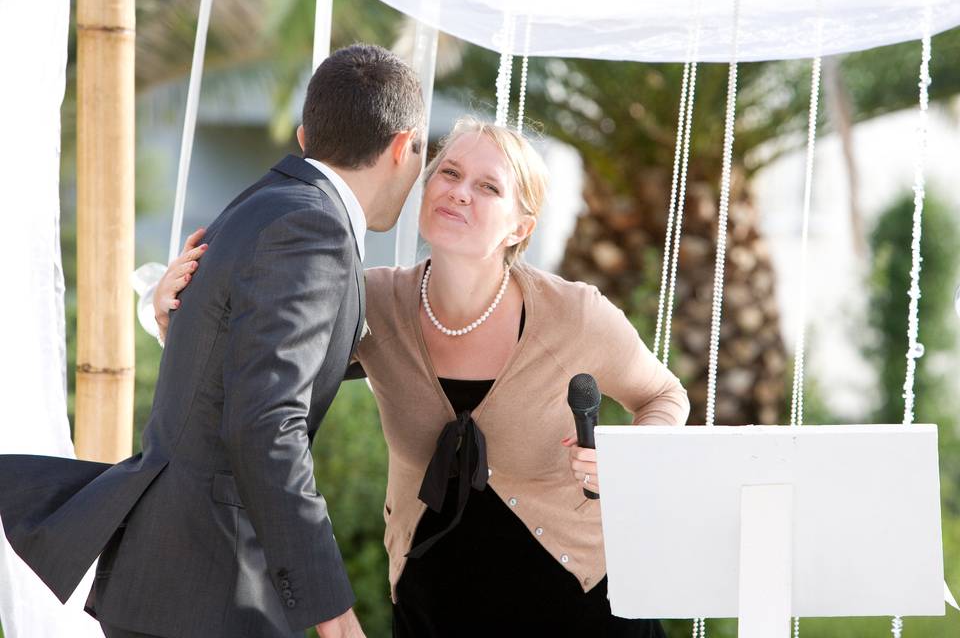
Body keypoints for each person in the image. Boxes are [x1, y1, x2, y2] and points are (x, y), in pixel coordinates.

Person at [155, 117, 690, 637]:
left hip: (580, 605)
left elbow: (664, 395)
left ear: (520, 227)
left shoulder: (574, 314)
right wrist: (174, 311)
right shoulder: (371, 301)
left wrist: (632, 455)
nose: (459, 192)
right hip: (432, 605)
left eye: (487, 186)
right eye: (449, 173)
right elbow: (257, 365)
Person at [0, 44, 424, 638]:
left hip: (175, 584)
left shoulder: (261, 204)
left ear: (306, 135)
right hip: (210, 588)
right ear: (404, 147)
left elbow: (233, 365)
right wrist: (333, 613)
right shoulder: (313, 227)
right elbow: (264, 425)